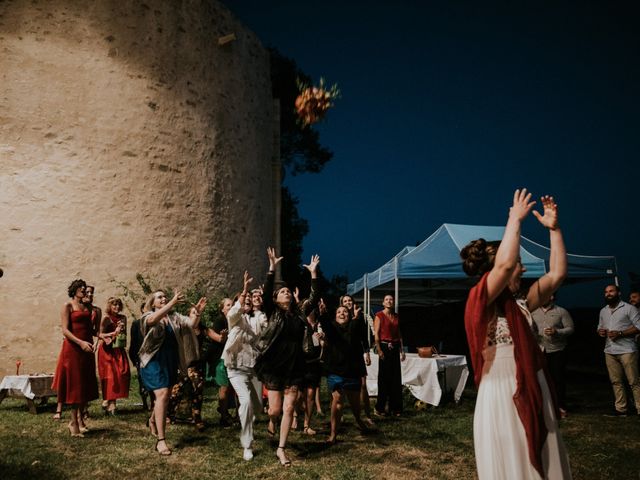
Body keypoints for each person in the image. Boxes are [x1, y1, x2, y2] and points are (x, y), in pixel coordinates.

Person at [461, 189, 572, 480]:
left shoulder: (521, 302)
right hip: (501, 389)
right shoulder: (479, 300)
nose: (522, 268)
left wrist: (554, 230)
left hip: (532, 383)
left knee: (542, 453)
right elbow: (507, 264)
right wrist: (514, 220)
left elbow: (557, 274)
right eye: (519, 263)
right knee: (511, 455)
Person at [254, 247, 320, 467]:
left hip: (294, 365)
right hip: (274, 366)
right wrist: (272, 268)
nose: (287, 293)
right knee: (274, 409)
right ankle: (272, 420)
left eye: (288, 292)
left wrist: (313, 274)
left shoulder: (299, 313)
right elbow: (265, 295)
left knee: (289, 408)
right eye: (282, 292)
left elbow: (314, 297)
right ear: (276, 298)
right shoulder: (273, 313)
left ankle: (281, 449)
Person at [138, 290, 207, 455]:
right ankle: (161, 441)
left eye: (165, 297)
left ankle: (153, 419)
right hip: (152, 361)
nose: (164, 298)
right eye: (159, 297)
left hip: (170, 361)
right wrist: (172, 303)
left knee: (166, 395)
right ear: (153, 303)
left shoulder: (174, 317)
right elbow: (153, 320)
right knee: (161, 394)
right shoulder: (147, 316)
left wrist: (197, 312)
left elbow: (192, 324)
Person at [222, 271, 267, 461]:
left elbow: (264, 328)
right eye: (245, 298)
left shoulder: (258, 318)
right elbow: (234, 311)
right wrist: (245, 289)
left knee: (256, 407)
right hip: (235, 367)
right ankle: (247, 445)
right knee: (246, 402)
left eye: (250, 298)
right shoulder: (234, 318)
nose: (248, 299)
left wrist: (261, 305)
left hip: (254, 368)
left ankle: (248, 416)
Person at [52, 279, 99, 436]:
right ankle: (72, 422)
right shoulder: (68, 306)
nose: (84, 290)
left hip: (87, 348)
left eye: (84, 288)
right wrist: (80, 343)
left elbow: (92, 329)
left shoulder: (87, 307)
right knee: (75, 385)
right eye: (81, 288)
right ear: (74, 290)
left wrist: (101, 337)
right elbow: (65, 330)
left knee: (84, 384)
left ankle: (79, 420)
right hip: (73, 348)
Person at [321, 304, 374, 444]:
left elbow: (360, 334)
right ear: (335, 316)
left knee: (355, 403)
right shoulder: (332, 328)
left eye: (345, 311)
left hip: (352, 371)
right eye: (339, 312)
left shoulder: (354, 326)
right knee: (337, 401)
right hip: (336, 371)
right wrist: (322, 314)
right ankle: (333, 434)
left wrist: (357, 317)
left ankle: (358, 419)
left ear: (349, 315)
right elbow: (325, 325)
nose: (342, 313)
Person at [597, 284, 640, 416]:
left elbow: (638, 326)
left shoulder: (629, 308)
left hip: (627, 350)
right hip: (609, 350)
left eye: (611, 291)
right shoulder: (603, 311)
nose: (608, 294)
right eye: (606, 292)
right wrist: (601, 332)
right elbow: (599, 327)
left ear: (618, 293)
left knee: (634, 381)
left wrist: (620, 333)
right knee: (616, 381)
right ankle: (621, 409)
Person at [531, 294, 574, 418]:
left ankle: (560, 407)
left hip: (557, 350)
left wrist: (557, 332)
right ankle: (543, 407)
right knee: (539, 379)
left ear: (552, 296)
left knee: (558, 380)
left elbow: (570, 328)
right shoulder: (533, 311)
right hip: (539, 350)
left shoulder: (561, 311)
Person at [341, 294, 373, 422]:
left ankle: (368, 415)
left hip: (357, 355)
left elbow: (364, 336)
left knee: (363, 385)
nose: (348, 302)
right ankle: (340, 414)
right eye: (345, 301)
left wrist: (367, 352)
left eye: (349, 300)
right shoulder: (341, 316)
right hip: (344, 355)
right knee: (342, 386)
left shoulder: (360, 316)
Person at [97, 297, 131, 415]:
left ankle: (108, 401)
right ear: (109, 306)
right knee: (110, 376)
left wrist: (121, 332)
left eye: (118, 304)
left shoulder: (123, 318)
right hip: (107, 350)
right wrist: (113, 332)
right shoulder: (106, 318)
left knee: (121, 374)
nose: (116, 307)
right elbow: (99, 334)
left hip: (118, 349)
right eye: (114, 305)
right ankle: (111, 404)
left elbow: (124, 334)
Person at [373, 294, 405, 416]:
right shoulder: (379, 315)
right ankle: (380, 408)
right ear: (383, 303)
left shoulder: (396, 316)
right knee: (384, 379)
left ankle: (395, 408)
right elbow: (376, 334)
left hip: (395, 347)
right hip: (384, 347)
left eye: (391, 299)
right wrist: (379, 349)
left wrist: (402, 350)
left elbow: (399, 334)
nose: (389, 301)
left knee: (396, 379)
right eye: (386, 299)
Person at [206, 299, 233, 427]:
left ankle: (224, 410)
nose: (231, 306)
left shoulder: (235, 320)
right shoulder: (220, 321)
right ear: (222, 309)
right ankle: (223, 416)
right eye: (228, 305)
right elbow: (218, 339)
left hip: (231, 357)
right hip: (220, 358)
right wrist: (222, 337)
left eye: (232, 305)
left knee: (230, 387)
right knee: (224, 386)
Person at [130, 302, 153, 411]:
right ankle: (144, 402)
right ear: (142, 310)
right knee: (142, 379)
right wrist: (134, 358)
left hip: (152, 355)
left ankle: (153, 402)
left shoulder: (155, 323)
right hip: (140, 356)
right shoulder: (136, 324)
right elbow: (133, 342)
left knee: (153, 379)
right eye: (147, 308)